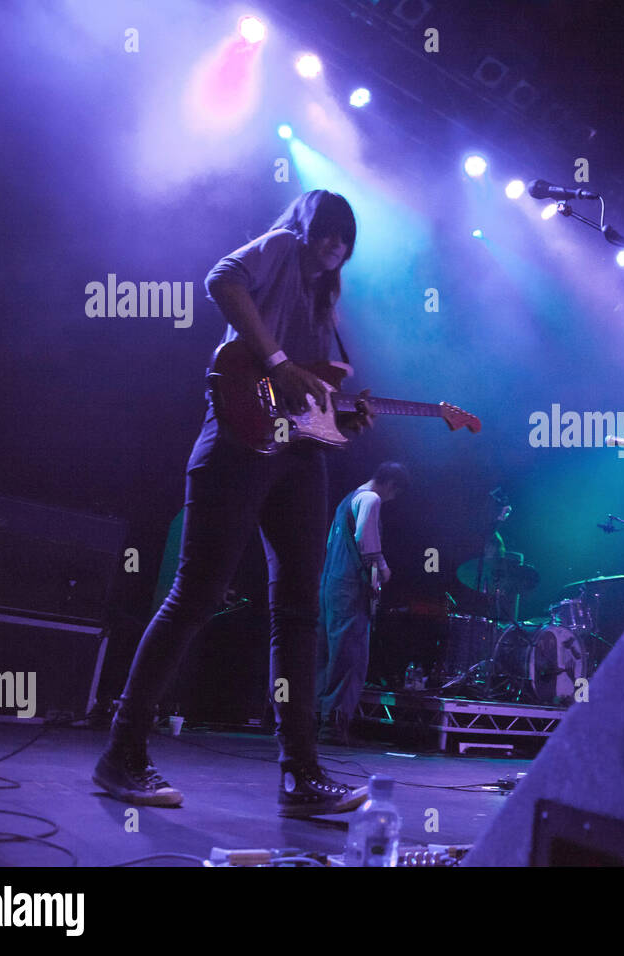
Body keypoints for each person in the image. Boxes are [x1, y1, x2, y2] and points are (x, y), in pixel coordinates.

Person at [93, 190, 374, 817]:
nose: (335, 244)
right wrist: (275, 360)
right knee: (195, 595)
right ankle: (122, 751)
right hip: (238, 440)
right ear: (306, 226)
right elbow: (220, 277)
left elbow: (306, 390)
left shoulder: (326, 299)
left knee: (299, 612)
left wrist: (341, 415)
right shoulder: (277, 249)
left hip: (298, 457)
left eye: (346, 237)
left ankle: (300, 773)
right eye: (328, 230)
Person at [317, 461, 410, 745]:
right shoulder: (371, 498)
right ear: (391, 485)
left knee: (328, 654)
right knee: (350, 657)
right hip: (350, 587)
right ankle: (334, 725)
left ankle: (319, 719)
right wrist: (383, 569)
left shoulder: (349, 498)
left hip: (332, 582)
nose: (391, 499)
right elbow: (366, 543)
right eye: (394, 493)